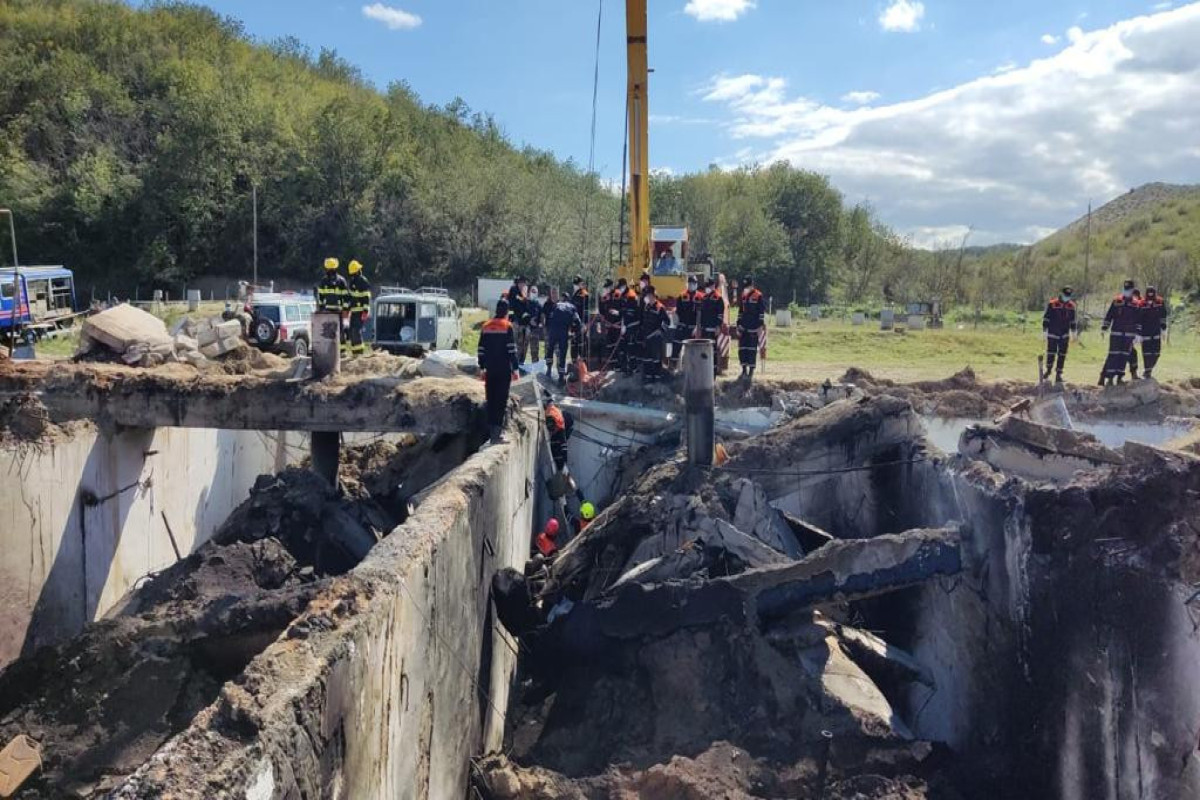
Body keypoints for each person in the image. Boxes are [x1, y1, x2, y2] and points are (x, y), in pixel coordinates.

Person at [477, 299, 520, 443]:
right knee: (500, 401)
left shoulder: (486, 326)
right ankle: (496, 435)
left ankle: (491, 434)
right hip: (503, 370)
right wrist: (515, 369)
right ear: (507, 312)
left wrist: (482, 367)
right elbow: (511, 350)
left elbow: (481, 349)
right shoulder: (507, 326)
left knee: (491, 399)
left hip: (490, 369)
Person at [1099, 280, 1140, 386]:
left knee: (1124, 356)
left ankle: (1119, 378)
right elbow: (1109, 315)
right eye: (1125, 289)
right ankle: (1110, 378)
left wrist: (1138, 334)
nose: (1126, 292)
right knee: (1113, 355)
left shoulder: (1136, 304)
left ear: (1132, 290)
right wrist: (1104, 327)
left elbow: (1138, 320)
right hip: (1116, 333)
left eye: (1129, 290)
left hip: (1129, 335)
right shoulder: (1117, 301)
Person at [1041, 286, 1077, 384]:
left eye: (1068, 296)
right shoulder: (1052, 304)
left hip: (1064, 334)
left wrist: (1074, 332)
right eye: (1066, 295)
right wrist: (1044, 330)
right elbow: (1046, 318)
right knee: (1051, 353)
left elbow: (1073, 320)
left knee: (1062, 354)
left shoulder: (1071, 306)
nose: (1067, 297)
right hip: (1053, 333)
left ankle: (1059, 374)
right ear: (1061, 294)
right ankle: (1048, 370)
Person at [545, 288, 582, 383]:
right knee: (562, 354)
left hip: (553, 331)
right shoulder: (572, 307)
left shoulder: (556, 305)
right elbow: (578, 322)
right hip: (563, 332)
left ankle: (548, 370)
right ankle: (561, 377)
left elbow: (550, 318)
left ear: (562, 299)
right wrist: (574, 333)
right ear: (569, 300)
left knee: (550, 349)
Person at [736, 276, 765, 383]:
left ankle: (751, 371)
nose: (746, 288)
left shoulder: (758, 296)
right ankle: (743, 370)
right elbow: (740, 312)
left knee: (752, 350)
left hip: (754, 327)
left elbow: (761, 313)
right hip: (743, 327)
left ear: (752, 285)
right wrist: (738, 324)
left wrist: (760, 326)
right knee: (742, 349)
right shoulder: (743, 295)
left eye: (747, 286)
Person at [640, 284, 669, 382]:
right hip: (646, 337)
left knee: (656, 358)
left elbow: (667, 322)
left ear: (651, 295)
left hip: (656, 338)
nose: (645, 298)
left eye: (647, 295)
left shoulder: (660, 307)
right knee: (647, 358)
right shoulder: (646, 307)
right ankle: (648, 377)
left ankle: (657, 378)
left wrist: (660, 332)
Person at [1139, 286, 1167, 379]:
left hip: (1156, 332)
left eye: (1152, 294)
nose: (1150, 296)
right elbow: (1138, 319)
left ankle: (1149, 369)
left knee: (1156, 353)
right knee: (1146, 353)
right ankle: (1147, 371)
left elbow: (1163, 315)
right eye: (1149, 294)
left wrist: (1163, 329)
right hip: (1145, 332)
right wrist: (1138, 333)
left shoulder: (1160, 302)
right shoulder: (1141, 303)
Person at [698, 278, 726, 376]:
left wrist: (718, 326)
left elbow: (720, 314)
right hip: (705, 328)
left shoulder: (718, 298)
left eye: (709, 286)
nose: (707, 288)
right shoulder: (704, 298)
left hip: (713, 329)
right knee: (704, 350)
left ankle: (713, 373)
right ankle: (705, 371)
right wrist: (700, 327)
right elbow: (702, 314)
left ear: (713, 286)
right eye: (706, 286)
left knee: (712, 351)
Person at [346, 260, 371, 358]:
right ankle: (355, 353)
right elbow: (351, 297)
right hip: (354, 311)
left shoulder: (363, 280)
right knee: (352, 331)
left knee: (356, 331)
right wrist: (348, 309)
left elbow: (366, 296)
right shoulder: (352, 282)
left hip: (361, 312)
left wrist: (365, 311)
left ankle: (360, 353)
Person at [673, 276, 700, 363]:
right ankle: (674, 368)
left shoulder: (701, 297)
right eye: (690, 283)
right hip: (682, 326)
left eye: (693, 283)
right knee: (676, 346)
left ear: (696, 284)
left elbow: (701, 314)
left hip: (694, 327)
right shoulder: (681, 296)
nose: (691, 285)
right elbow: (677, 311)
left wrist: (698, 327)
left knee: (693, 349)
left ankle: (691, 368)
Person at [505, 276, 531, 365]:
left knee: (523, 342)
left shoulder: (525, 292)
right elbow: (513, 304)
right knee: (514, 342)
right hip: (515, 321)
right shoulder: (514, 290)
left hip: (523, 322)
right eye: (521, 283)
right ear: (518, 283)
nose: (523, 285)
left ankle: (520, 361)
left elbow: (526, 306)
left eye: (524, 283)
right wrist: (512, 317)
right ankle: (512, 362)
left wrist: (526, 316)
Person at [618, 278, 641, 374]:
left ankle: (633, 368)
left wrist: (625, 325)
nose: (619, 289)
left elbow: (630, 313)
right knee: (624, 347)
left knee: (631, 348)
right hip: (626, 325)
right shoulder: (623, 295)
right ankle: (626, 367)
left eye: (620, 287)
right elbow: (623, 311)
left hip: (632, 325)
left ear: (624, 286)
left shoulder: (631, 296)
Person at [545, 395, 571, 470]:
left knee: (557, 448)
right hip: (559, 428)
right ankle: (561, 467)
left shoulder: (551, 412)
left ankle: (561, 467)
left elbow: (563, 447)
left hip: (558, 429)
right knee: (558, 448)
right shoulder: (554, 411)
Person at [569, 276, 590, 363]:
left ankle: (584, 366)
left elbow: (586, 310)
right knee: (573, 345)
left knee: (582, 345)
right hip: (573, 324)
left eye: (577, 284)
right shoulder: (574, 294)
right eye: (575, 284)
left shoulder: (584, 294)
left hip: (581, 324)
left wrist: (585, 323)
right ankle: (574, 365)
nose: (576, 286)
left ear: (581, 284)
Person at [526, 285, 545, 363]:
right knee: (522, 349)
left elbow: (542, 316)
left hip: (535, 330)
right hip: (525, 329)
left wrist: (540, 323)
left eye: (535, 292)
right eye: (532, 291)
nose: (533, 293)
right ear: (529, 292)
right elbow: (522, 314)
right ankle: (520, 366)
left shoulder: (539, 305)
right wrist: (529, 320)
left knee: (535, 350)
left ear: (537, 293)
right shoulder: (525, 303)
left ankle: (535, 365)